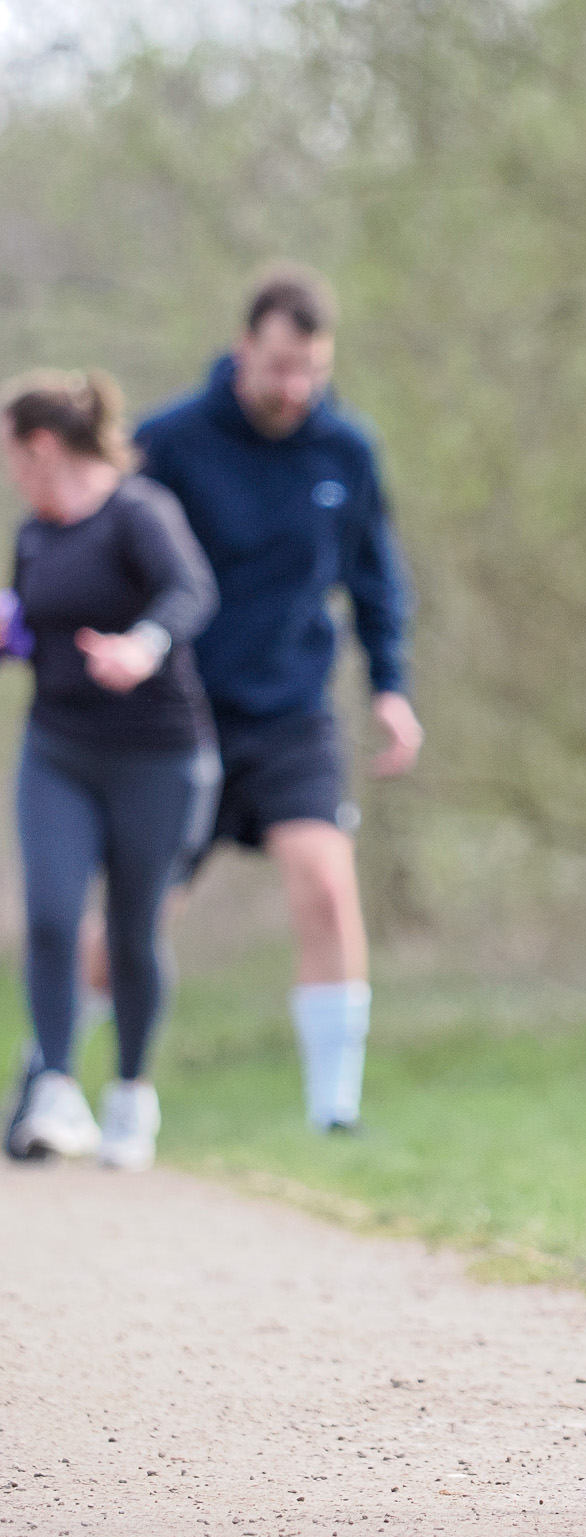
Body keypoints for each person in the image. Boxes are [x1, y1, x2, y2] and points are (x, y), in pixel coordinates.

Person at [131, 265, 422, 1131]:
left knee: (328, 887)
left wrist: (391, 688)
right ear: (241, 353)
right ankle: (60, 1077)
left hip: (292, 713)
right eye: (279, 368)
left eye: (312, 372)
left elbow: (377, 579)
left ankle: (335, 1111)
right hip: (180, 716)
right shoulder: (169, 444)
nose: (294, 388)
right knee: (130, 921)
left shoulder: (347, 450)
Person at [1, 371, 220, 1170]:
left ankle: (131, 1094)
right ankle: (56, 1086)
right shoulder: (35, 534)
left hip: (156, 755)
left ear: (42, 447)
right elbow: (29, 626)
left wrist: (143, 645)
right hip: (58, 747)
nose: (10, 472)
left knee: (131, 930)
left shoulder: (138, 513)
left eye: (10, 455)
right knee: (54, 916)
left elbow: (191, 590)